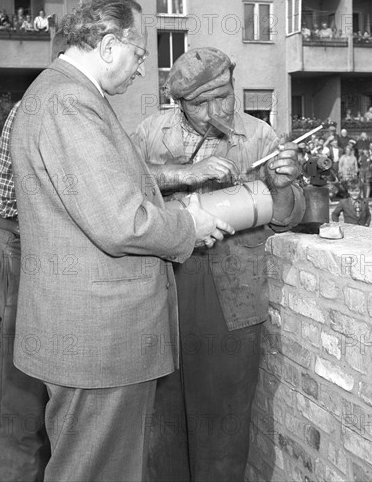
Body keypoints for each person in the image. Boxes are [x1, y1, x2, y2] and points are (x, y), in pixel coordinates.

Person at [10, 0, 232, 481]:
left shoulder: (66, 96)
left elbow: (99, 203)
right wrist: (188, 226)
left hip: (93, 337)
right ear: (109, 45)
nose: (140, 70)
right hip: (98, 343)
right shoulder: (69, 102)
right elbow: (119, 220)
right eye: (139, 54)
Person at [133, 46, 305, 482]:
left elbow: (287, 218)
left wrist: (284, 186)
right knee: (162, 423)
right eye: (200, 103)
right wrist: (180, 174)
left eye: (224, 96)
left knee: (224, 426)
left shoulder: (260, 135)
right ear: (178, 102)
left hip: (232, 296)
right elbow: (120, 193)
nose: (216, 111)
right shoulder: (151, 134)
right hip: (161, 289)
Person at [0, 32, 69, 482]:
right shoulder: (52, 103)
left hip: (20, 252)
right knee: (13, 416)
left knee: (29, 413)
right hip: (13, 255)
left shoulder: (52, 98)